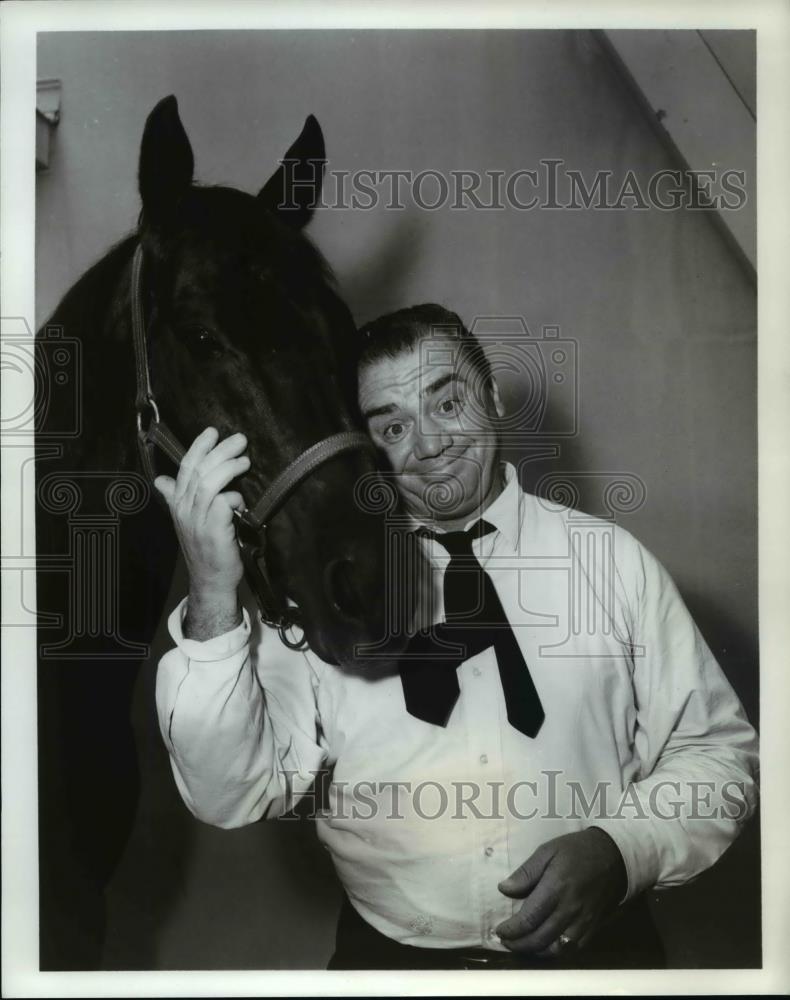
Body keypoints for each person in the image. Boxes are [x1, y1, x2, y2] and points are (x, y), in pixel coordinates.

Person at [154, 303, 759, 970]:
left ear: (493, 396)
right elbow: (229, 790)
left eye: (447, 404)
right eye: (392, 426)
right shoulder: (322, 598)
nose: (430, 444)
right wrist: (212, 590)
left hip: (605, 963)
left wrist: (623, 851)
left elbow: (718, 754)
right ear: (363, 443)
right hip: (387, 969)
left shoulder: (613, 562)